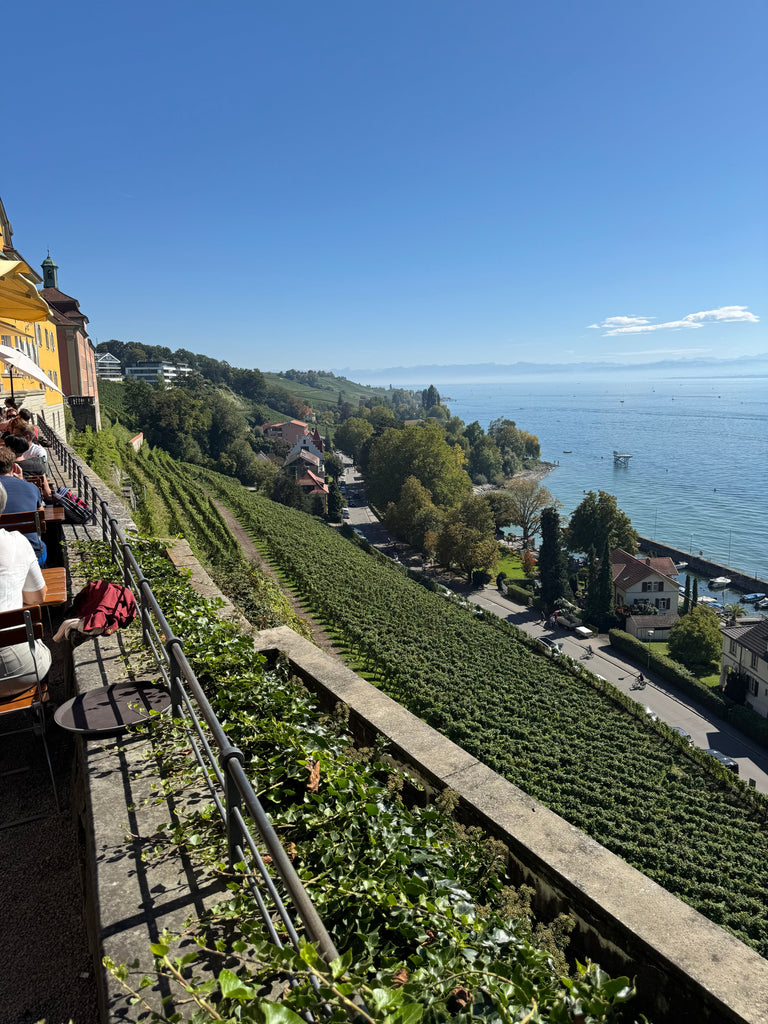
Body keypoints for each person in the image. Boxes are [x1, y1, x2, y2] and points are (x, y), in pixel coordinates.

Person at [0, 482, 50, 696]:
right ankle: (41, 717)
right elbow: (37, 597)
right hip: (17, 671)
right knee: (42, 646)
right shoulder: (17, 542)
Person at [0, 446, 47, 565]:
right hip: (32, 554)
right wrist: (22, 480)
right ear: (14, 467)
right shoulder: (31, 488)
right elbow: (41, 513)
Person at [2, 435, 53, 502]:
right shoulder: (37, 466)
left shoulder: (4, 468)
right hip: (33, 505)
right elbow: (48, 494)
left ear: (9, 448)